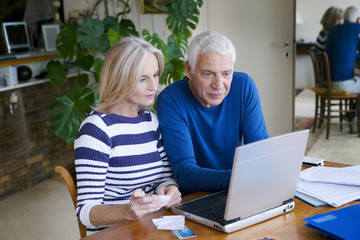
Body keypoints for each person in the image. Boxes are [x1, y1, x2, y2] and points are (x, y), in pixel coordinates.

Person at [74, 37, 182, 235]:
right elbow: (85, 211)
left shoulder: (151, 121)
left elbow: (164, 177)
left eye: (155, 75)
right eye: (142, 78)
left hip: (152, 229)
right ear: (120, 79)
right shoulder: (96, 129)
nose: (153, 86)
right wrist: (128, 211)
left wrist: (169, 190)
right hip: (115, 233)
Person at [157, 31, 269, 196]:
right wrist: (240, 179)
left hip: (240, 190)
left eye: (226, 74)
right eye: (208, 74)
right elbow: (185, 174)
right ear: (189, 69)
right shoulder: (171, 100)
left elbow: (261, 150)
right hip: (198, 196)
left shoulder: (244, 86)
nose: (219, 85)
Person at [325, 6, 360, 94]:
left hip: (327, 82)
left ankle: (355, 106)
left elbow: (344, 53)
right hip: (343, 84)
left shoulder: (333, 30)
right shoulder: (357, 28)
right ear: (358, 19)